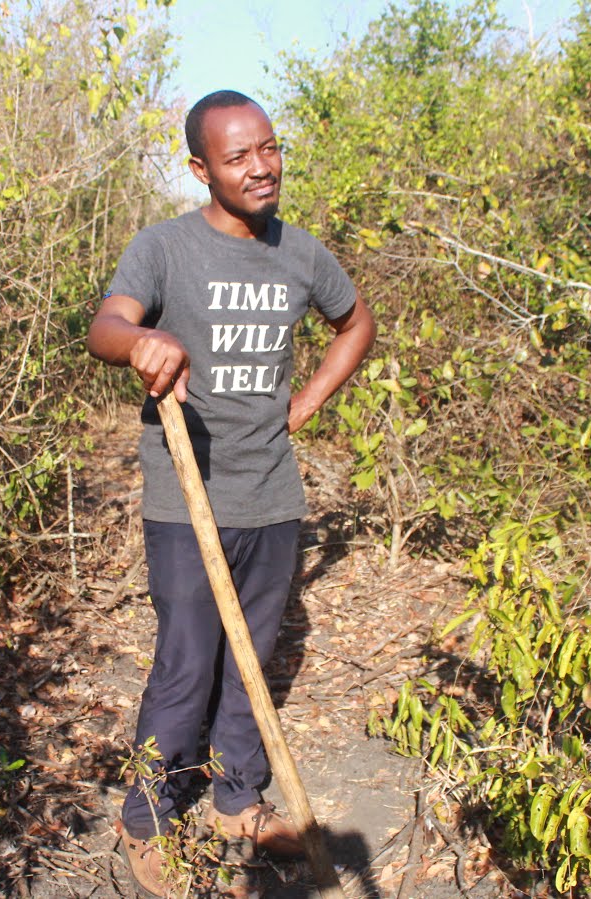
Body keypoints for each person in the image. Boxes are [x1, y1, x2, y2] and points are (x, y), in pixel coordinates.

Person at [86, 89, 375, 894]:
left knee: (255, 661)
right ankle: (147, 815)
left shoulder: (300, 252)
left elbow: (356, 322)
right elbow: (104, 325)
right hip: (187, 494)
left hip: (271, 493)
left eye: (270, 148)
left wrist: (305, 402)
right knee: (188, 659)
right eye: (238, 156)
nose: (261, 167)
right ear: (200, 168)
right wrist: (142, 340)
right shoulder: (166, 248)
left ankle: (235, 800)